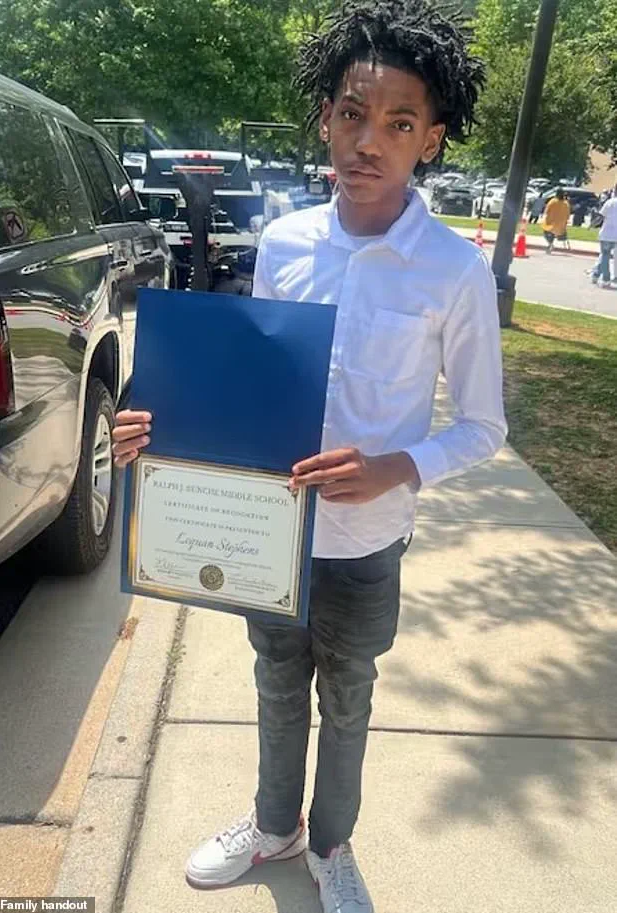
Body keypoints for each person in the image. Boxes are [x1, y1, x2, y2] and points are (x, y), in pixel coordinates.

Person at [112, 2, 507, 910]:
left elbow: (484, 426)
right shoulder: (285, 242)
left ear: (432, 140)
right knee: (277, 683)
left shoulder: (453, 272)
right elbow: (250, 381)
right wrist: (159, 432)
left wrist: (396, 466)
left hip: (366, 542)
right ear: (326, 119)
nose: (369, 141)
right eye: (352, 115)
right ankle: (273, 824)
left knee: (350, 698)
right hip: (271, 532)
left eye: (399, 123)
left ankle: (330, 844)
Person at [590, 185, 617, 288]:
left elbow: (600, 217)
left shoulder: (610, 202)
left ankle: (606, 278)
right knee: (605, 256)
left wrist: (593, 224)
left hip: (606, 234)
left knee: (605, 256)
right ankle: (596, 274)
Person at [542, 187, 571, 253]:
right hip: (561, 226)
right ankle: (551, 245)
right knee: (553, 232)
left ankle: (550, 244)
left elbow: (546, 211)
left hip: (551, 223)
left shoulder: (552, 201)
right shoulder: (566, 203)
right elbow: (568, 215)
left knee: (546, 232)